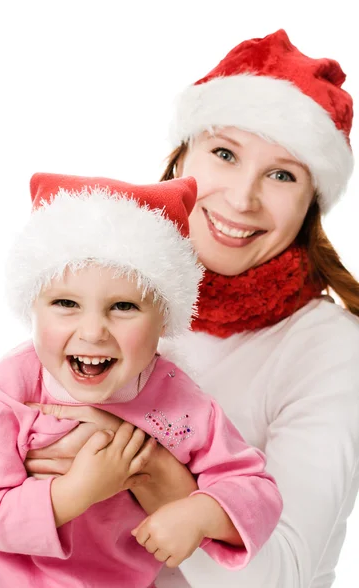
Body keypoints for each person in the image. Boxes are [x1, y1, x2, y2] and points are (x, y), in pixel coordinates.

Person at [23, 29, 359, 588]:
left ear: (311, 203)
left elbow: (287, 576)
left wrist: (142, 465)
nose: (241, 197)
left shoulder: (330, 347)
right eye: (225, 153)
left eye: (282, 174)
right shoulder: (107, 289)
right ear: (182, 157)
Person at [0, 173, 282, 588]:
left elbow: (255, 489)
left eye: (124, 306)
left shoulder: (177, 402)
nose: (93, 332)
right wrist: (79, 490)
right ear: (31, 308)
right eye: (65, 303)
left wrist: (200, 513)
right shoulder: (5, 395)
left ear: (163, 318)